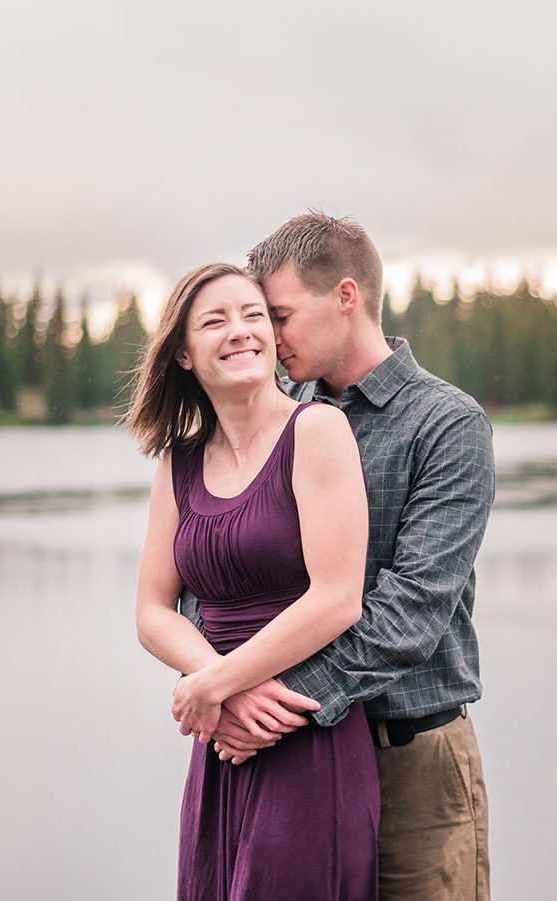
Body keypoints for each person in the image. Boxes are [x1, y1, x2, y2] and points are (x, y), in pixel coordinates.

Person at [203, 213, 496, 900]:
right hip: (294, 762)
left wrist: (269, 700)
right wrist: (226, 684)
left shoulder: (447, 425)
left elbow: (411, 612)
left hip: (411, 758)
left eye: (278, 315)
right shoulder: (276, 420)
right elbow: (217, 565)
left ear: (344, 297)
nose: (265, 339)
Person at [127, 262, 380, 900]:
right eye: (215, 321)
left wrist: (214, 685)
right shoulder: (178, 463)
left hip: (305, 733)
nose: (240, 331)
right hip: (226, 743)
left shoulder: (317, 429)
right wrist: (224, 688)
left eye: (254, 315)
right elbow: (153, 612)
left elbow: (338, 598)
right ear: (183, 354)